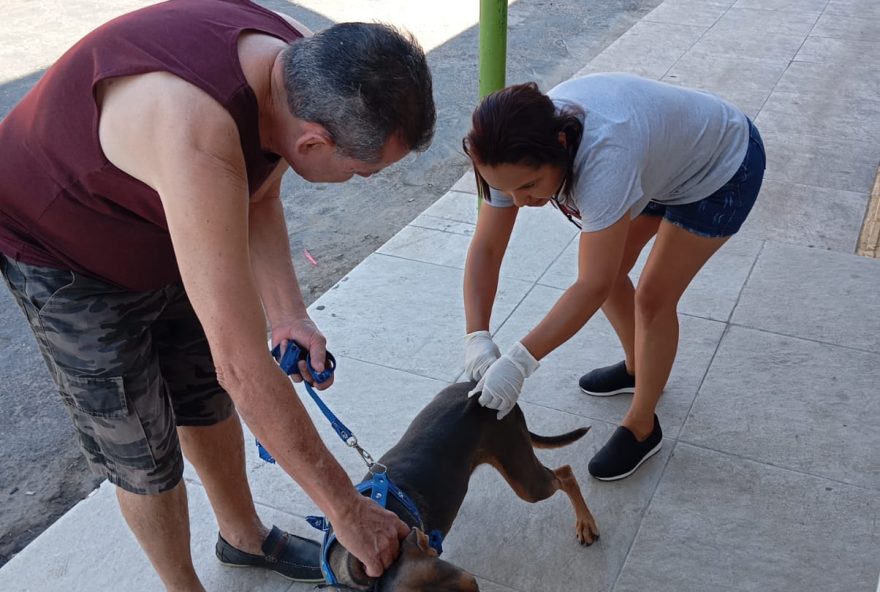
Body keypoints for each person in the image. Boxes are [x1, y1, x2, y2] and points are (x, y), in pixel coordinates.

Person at [0, 1, 435, 589]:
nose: (357, 182)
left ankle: (243, 537)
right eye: (360, 171)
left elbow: (259, 195)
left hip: (164, 213)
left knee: (203, 391)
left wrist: (289, 315)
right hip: (62, 245)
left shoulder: (302, 66)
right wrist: (347, 509)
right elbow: (243, 364)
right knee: (143, 449)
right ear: (313, 143)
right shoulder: (198, 136)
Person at [461, 73, 764, 481]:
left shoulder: (604, 159)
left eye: (530, 186)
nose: (520, 201)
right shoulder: (503, 155)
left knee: (653, 297)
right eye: (506, 189)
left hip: (723, 166)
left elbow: (592, 284)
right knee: (612, 267)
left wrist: (518, 362)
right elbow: (487, 248)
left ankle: (642, 426)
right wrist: (476, 334)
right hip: (663, 163)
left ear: (562, 146)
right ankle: (638, 367)